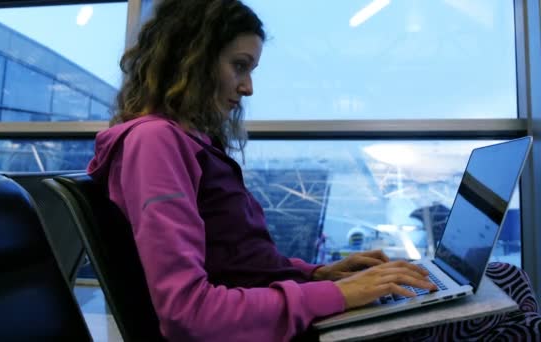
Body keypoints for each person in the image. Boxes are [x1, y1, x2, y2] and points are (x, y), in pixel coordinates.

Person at [87, 0, 539, 341]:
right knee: (511, 316)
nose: (247, 87)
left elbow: (238, 267)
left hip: (283, 315)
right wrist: (342, 296)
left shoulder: (184, 142)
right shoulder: (155, 143)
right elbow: (187, 312)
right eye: (239, 66)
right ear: (191, 59)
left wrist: (320, 275)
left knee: (502, 276)